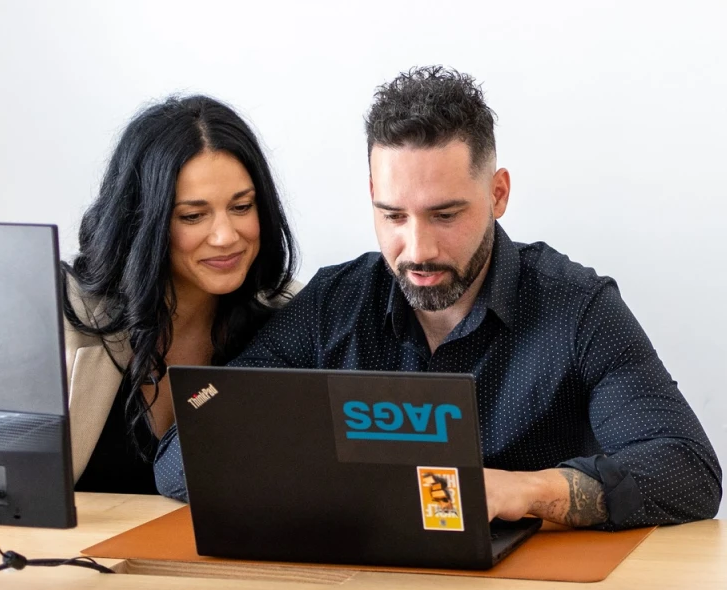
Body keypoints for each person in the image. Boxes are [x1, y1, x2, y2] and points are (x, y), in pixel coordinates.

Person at [154, 67, 722, 530]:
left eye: (446, 215)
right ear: (372, 196)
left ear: (498, 193)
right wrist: (326, 477)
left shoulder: (576, 308)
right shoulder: (332, 305)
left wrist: (527, 491)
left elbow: (689, 470)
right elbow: (183, 459)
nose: (418, 249)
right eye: (393, 216)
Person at [63, 95, 298, 494]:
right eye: (193, 216)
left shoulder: (290, 315)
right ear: (143, 220)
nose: (225, 236)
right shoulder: (63, 318)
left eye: (242, 207)